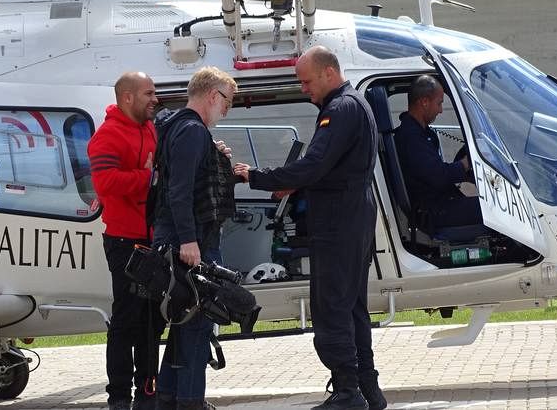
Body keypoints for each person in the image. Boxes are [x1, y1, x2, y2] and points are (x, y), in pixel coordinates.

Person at [233, 46, 386, 410]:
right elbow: (331, 168)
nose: (304, 89)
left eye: (307, 81)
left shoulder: (340, 109)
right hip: (354, 217)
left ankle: (348, 392)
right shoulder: (356, 104)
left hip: (337, 222)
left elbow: (314, 165)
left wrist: (256, 176)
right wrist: (297, 184)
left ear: (329, 73)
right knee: (352, 306)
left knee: (331, 307)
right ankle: (367, 387)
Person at [150, 66, 238, 410]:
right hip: (191, 243)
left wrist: (216, 158)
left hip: (181, 239)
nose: (226, 111)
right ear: (213, 95)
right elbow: (180, 190)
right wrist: (189, 242)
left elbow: (186, 179)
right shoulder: (191, 131)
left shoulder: (178, 127)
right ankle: (190, 402)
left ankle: (168, 399)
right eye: (227, 103)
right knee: (198, 325)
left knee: (183, 324)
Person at [87, 72, 166, 410]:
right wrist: (147, 177)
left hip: (152, 237)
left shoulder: (150, 129)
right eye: (149, 93)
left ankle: (147, 393)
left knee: (152, 320)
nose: (155, 99)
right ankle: (118, 397)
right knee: (126, 319)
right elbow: (106, 184)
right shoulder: (106, 136)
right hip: (124, 241)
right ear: (127, 97)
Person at [393, 75, 481, 231]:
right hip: (431, 211)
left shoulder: (421, 134)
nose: (440, 110)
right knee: (491, 212)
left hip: (438, 203)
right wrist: (466, 164)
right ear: (424, 102)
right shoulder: (411, 138)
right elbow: (439, 176)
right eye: (439, 103)